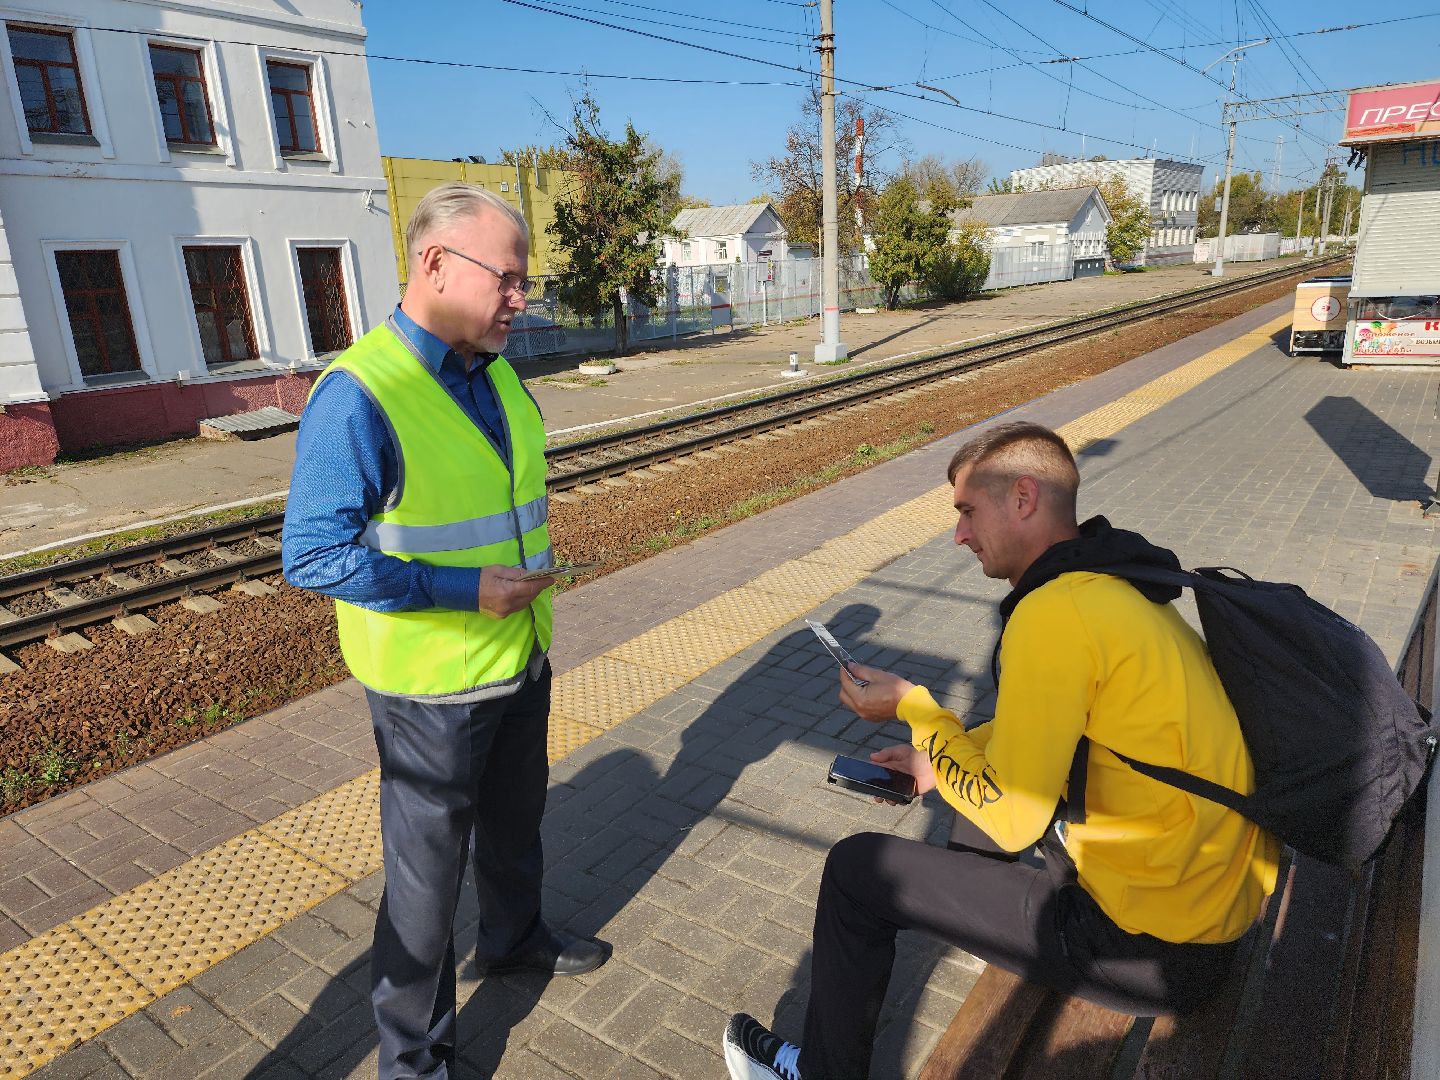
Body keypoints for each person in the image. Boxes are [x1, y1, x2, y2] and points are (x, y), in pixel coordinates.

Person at [722, 420, 1279, 1080]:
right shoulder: (1112, 582)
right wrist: (936, 762)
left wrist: (915, 709)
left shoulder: (1053, 617)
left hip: (1152, 947)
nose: (958, 535)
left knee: (855, 871)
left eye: (967, 511)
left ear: (1023, 498)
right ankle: (968, 912)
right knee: (971, 781)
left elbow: (1012, 816)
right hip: (1208, 901)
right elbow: (1056, 729)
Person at [283, 182, 607, 1080]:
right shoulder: (360, 394)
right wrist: (462, 589)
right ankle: (415, 1061)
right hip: (430, 691)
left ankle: (513, 939)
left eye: (523, 281)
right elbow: (311, 556)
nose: (521, 299)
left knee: (517, 823)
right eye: (507, 278)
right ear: (433, 263)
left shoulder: (494, 369)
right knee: (425, 890)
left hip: (520, 653)